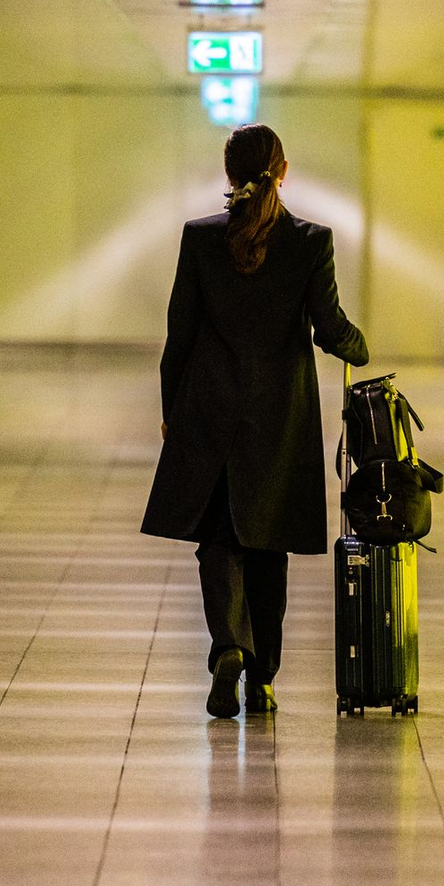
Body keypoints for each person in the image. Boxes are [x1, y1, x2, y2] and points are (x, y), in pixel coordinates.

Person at [141, 124, 369, 718]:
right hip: (281, 416)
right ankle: (263, 678)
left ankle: (227, 649)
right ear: (283, 170)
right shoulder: (310, 241)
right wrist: (358, 345)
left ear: (228, 174)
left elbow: (180, 335)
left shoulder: (200, 239)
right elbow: (329, 325)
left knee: (219, 539)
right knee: (269, 548)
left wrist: (171, 411)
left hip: (211, 410)